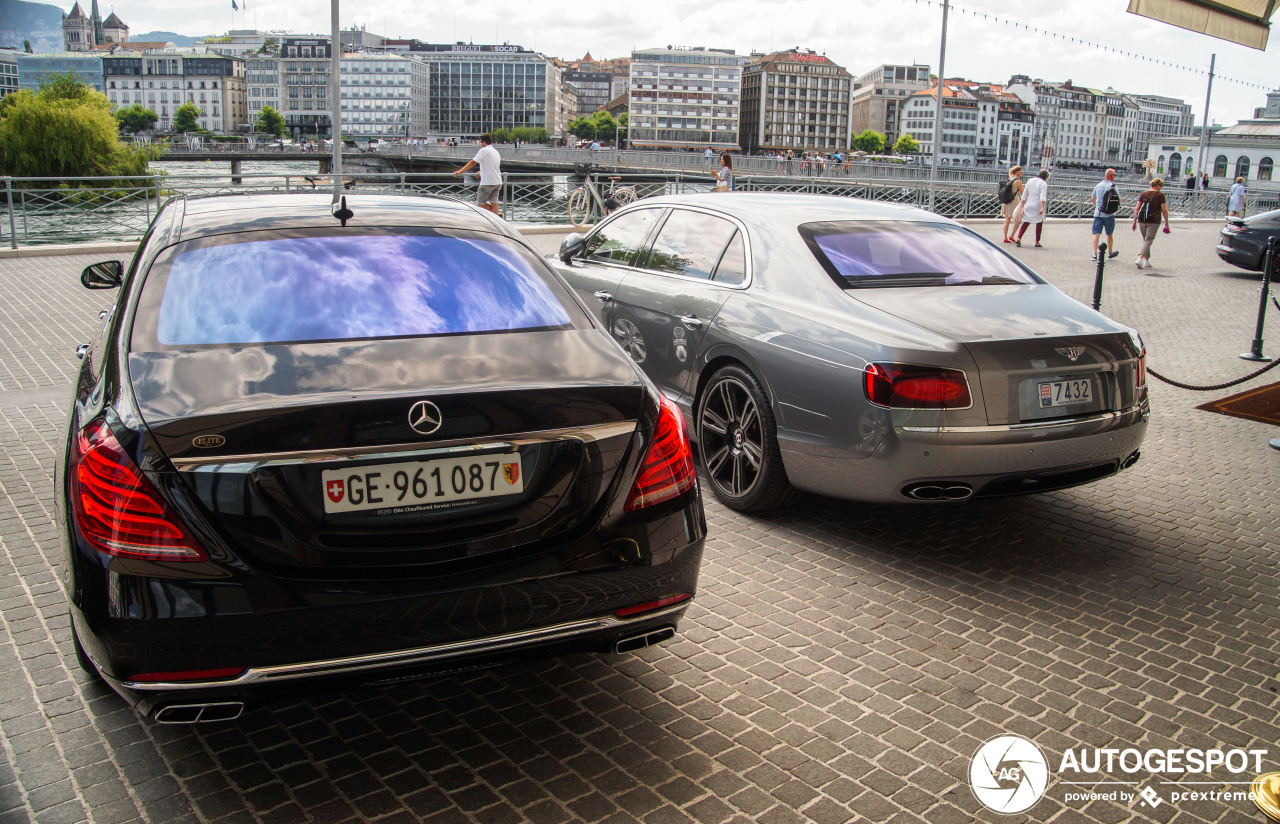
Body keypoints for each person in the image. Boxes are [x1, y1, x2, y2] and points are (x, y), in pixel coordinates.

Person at [452, 132, 502, 215]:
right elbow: (492, 166)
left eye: (480, 142)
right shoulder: (495, 152)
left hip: (487, 182)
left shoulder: (484, 150)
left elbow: (472, 162)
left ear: (483, 141)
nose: (480, 144)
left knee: (480, 204)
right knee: (494, 202)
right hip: (497, 181)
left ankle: (496, 215)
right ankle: (497, 218)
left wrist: (460, 171)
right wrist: (481, 171)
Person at [1132, 177, 1171, 269]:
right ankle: (1140, 259)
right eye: (1161, 186)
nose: (1161, 187)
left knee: (1146, 240)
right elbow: (1164, 210)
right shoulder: (1160, 195)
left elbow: (1137, 208)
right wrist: (1166, 223)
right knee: (1149, 240)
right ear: (1158, 185)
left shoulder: (1143, 194)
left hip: (1142, 220)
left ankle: (1147, 261)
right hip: (1154, 220)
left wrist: (1134, 221)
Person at [1090, 168, 1122, 262]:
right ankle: (1110, 253)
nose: (1115, 177)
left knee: (1096, 234)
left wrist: (1097, 206)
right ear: (1111, 175)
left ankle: (1094, 254)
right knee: (1109, 234)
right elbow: (1119, 199)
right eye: (1114, 175)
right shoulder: (1113, 186)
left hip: (1098, 213)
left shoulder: (1098, 185)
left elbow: (1093, 198)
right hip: (1109, 214)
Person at [1015, 168, 1050, 247]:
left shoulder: (1030, 180)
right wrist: (1042, 207)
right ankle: (1037, 241)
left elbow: (1025, 193)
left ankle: (1019, 238)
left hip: (1029, 204)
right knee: (1039, 223)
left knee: (1026, 222)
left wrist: (1022, 202)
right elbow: (1042, 196)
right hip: (1037, 205)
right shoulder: (1043, 184)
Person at [1000, 165, 1025, 243]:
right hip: (1015, 201)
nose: (1021, 173)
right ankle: (1012, 235)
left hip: (1007, 201)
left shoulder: (1009, 180)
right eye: (1021, 172)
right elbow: (1023, 192)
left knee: (1007, 220)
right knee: (1017, 220)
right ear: (1017, 172)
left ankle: (1005, 237)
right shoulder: (1018, 181)